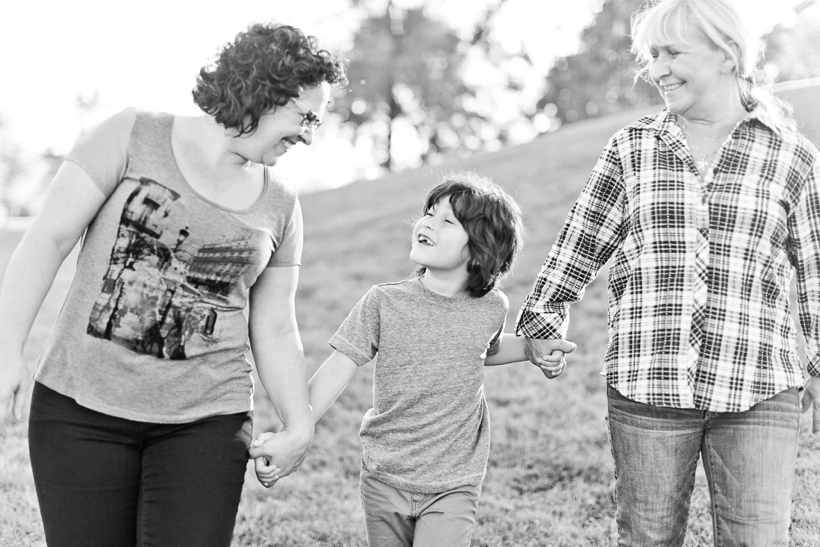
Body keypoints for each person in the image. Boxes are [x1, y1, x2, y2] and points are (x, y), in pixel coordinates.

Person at [0, 22, 346, 547]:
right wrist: (6, 351)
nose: (310, 134)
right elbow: (47, 239)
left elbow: (274, 327)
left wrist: (298, 423)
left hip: (206, 423)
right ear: (267, 91)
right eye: (306, 116)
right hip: (79, 411)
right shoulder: (132, 133)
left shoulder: (281, 204)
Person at [515, 0, 820, 545]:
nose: (656, 69)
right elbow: (580, 244)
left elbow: (817, 272)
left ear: (727, 54)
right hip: (647, 382)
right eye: (651, 55)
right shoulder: (633, 148)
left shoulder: (790, 156)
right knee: (648, 538)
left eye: (672, 52)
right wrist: (542, 319)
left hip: (758, 383)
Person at [252, 172, 576, 546]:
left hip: (454, 478)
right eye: (429, 213)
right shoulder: (384, 302)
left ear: (480, 249)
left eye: (447, 221)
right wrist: (294, 430)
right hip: (385, 473)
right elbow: (339, 366)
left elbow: (484, 350)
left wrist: (532, 350)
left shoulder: (491, 307)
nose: (427, 222)